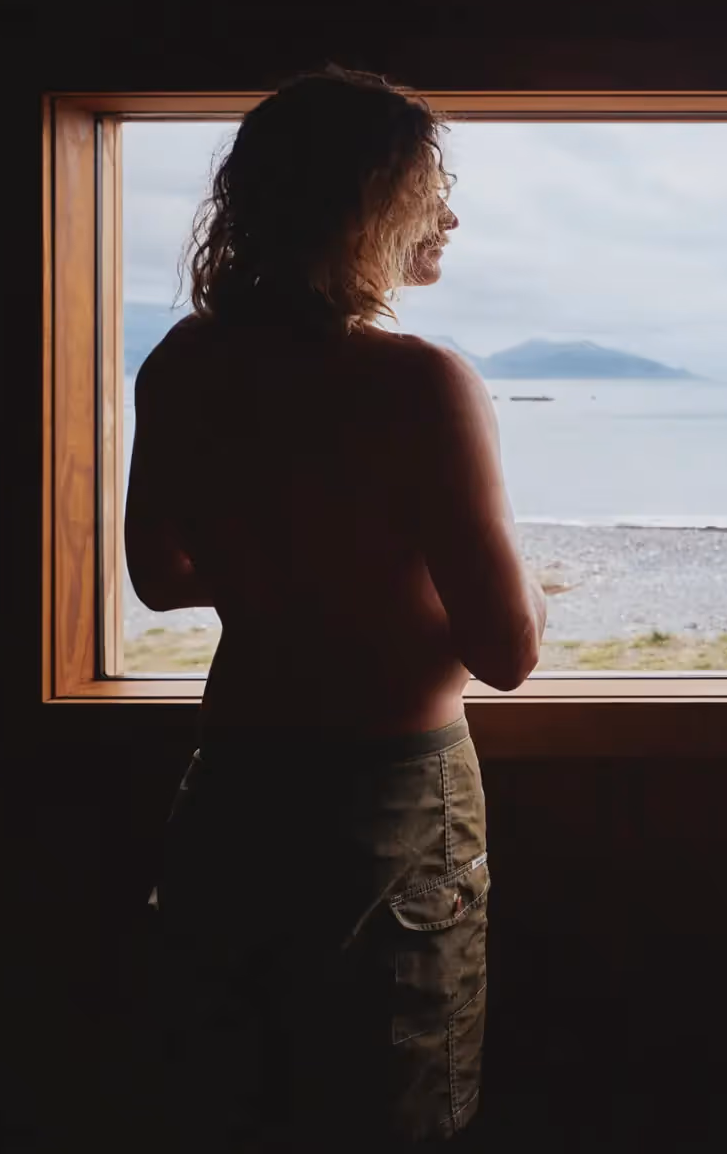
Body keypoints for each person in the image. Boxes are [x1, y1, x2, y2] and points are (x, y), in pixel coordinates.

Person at [129, 68, 544, 1149]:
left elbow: (162, 573)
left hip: (233, 783)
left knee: (238, 1086)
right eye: (427, 187)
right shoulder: (420, 382)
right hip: (385, 806)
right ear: (362, 205)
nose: (449, 213)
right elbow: (506, 651)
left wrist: (300, 563)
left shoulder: (182, 361)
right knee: (389, 1101)